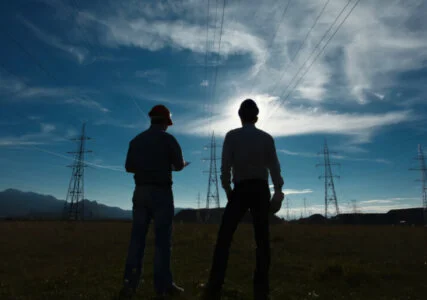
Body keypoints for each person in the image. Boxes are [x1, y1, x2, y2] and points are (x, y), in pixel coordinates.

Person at [202, 99, 285, 300]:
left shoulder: (232, 136)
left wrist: (227, 188)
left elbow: (225, 166)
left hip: (240, 189)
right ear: (256, 116)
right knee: (262, 240)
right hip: (260, 189)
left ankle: (214, 286)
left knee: (224, 238)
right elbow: (274, 167)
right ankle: (261, 290)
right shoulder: (266, 138)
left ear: (240, 116)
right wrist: (278, 192)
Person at [119, 104, 189, 299]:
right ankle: (163, 286)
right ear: (166, 122)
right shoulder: (169, 140)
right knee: (162, 242)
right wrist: (180, 164)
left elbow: (128, 167)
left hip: (140, 192)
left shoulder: (136, 140)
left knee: (137, 240)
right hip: (161, 193)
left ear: (151, 119)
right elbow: (177, 166)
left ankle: (129, 284)